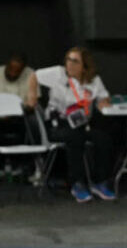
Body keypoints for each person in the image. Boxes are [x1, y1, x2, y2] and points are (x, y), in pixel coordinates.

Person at [31, 47, 117, 203]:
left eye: (75, 61)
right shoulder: (58, 73)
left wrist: (103, 103)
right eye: (68, 60)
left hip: (82, 123)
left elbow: (104, 98)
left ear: (85, 66)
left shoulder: (94, 81)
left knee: (103, 138)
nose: (69, 64)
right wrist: (32, 97)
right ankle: (77, 184)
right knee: (75, 137)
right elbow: (33, 76)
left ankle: (99, 182)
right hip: (59, 124)